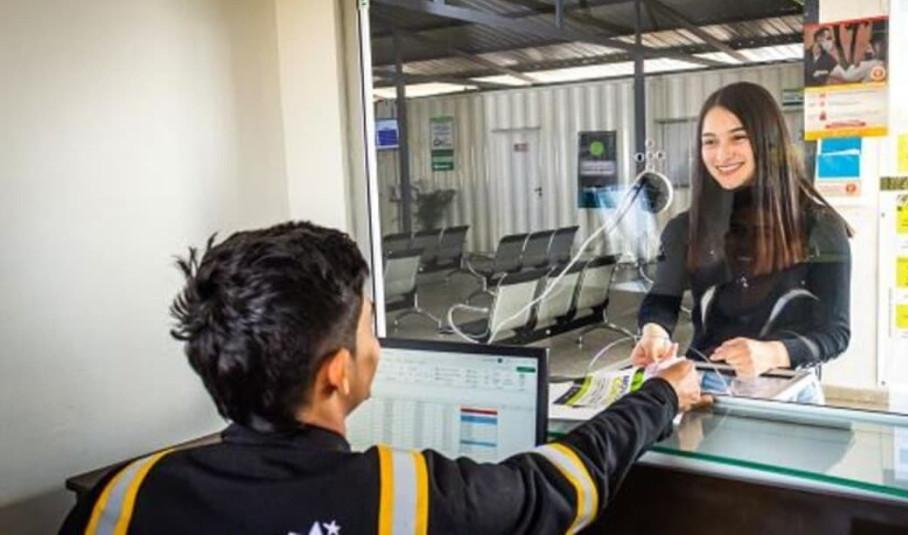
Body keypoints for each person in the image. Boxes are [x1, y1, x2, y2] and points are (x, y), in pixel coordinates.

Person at [61, 222, 708, 534]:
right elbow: (566, 483)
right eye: (370, 325)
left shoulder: (118, 496)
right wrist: (664, 392)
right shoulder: (407, 498)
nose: (376, 340)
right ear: (338, 373)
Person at [631, 82, 852, 403]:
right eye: (710, 141)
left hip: (789, 391)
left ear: (769, 142)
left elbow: (836, 333)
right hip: (703, 388)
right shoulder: (684, 229)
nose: (722, 154)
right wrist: (654, 332)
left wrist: (773, 353)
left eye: (738, 137)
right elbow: (662, 299)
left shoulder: (820, 225)